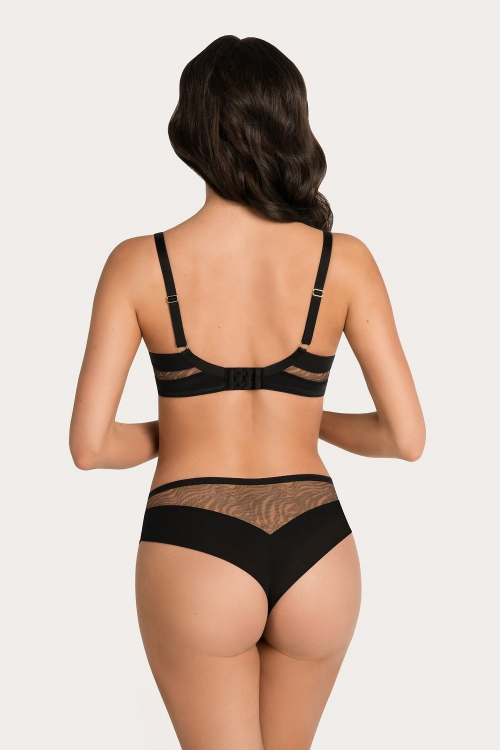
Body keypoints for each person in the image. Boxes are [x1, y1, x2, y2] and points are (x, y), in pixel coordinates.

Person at [69, 35, 425, 750]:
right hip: (318, 548)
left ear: (191, 131)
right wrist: (305, 420)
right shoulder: (344, 261)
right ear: (291, 122)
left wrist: (186, 427)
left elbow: (90, 446)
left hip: (195, 546)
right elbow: (405, 438)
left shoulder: (139, 264)